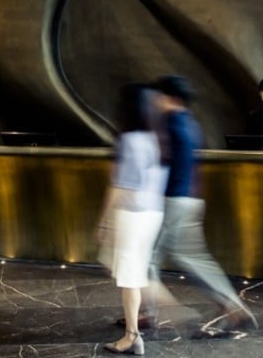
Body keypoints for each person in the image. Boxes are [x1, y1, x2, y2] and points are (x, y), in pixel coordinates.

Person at [135, 74, 257, 335]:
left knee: (145, 259)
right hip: (192, 200)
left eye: (161, 96)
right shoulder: (192, 125)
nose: (156, 101)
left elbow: (162, 163)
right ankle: (231, 304)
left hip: (172, 201)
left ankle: (150, 313)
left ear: (173, 99)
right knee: (195, 258)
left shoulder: (170, 125)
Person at [98, 84, 168, 355]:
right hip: (153, 214)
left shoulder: (128, 140)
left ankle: (132, 337)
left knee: (129, 277)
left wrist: (104, 222)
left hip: (132, 215)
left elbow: (121, 186)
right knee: (137, 273)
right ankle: (148, 316)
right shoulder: (156, 138)